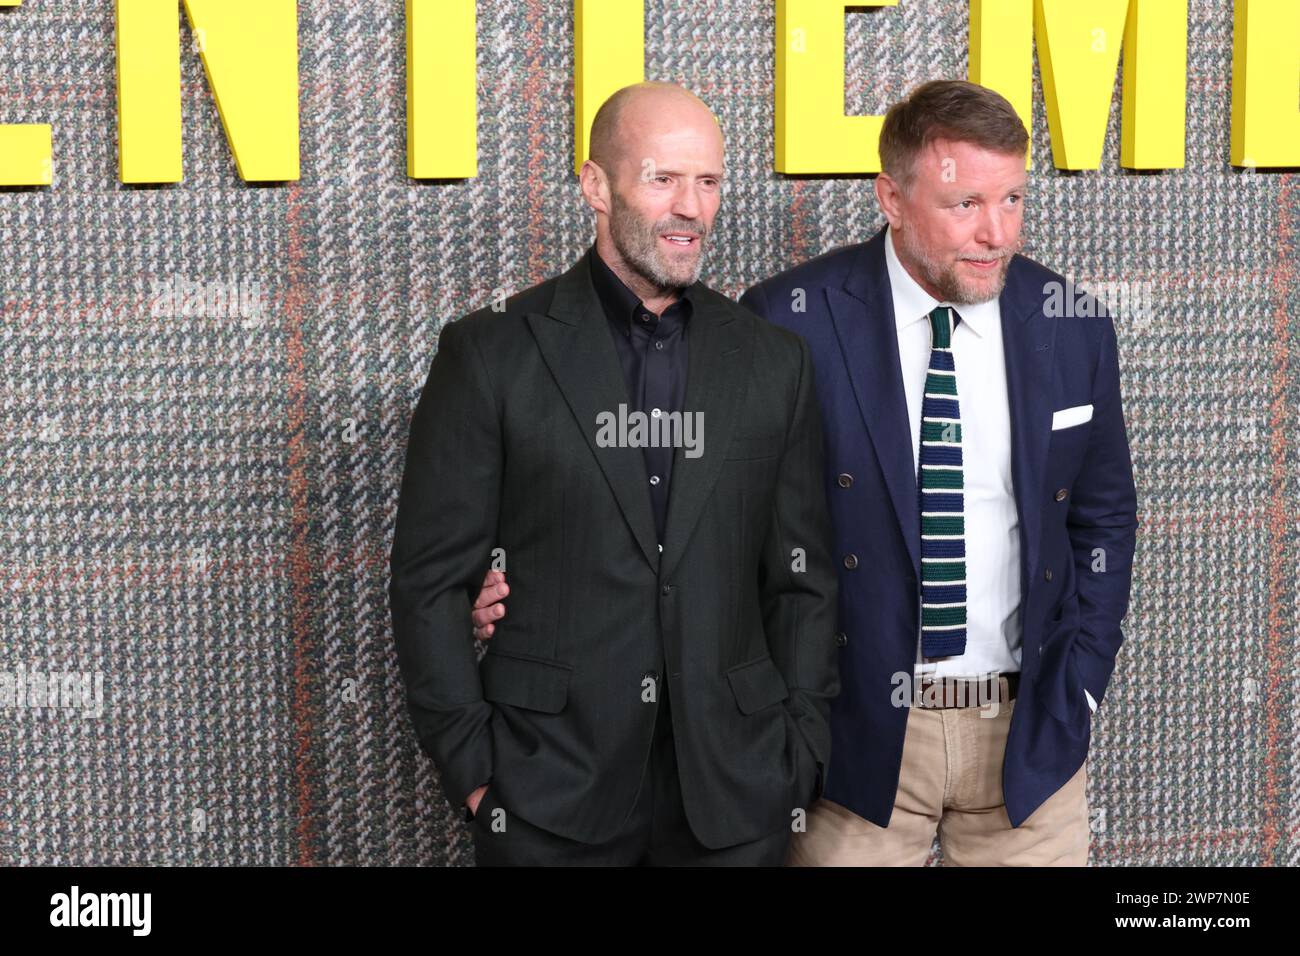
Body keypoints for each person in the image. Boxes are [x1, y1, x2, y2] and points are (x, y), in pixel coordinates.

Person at [389, 81, 839, 866]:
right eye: (663, 178)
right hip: (544, 797)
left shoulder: (774, 363)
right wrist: (474, 770)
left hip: (738, 801)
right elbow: (430, 582)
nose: (691, 208)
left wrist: (798, 751)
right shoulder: (493, 353)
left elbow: (802, 581)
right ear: (596, 187)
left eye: (708, 182)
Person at [739, 80, 1139, 865]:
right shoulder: (789, 320)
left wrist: (1079, 683)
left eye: (1014, 199)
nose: (997, 232)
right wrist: (786, 716)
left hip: (1029, 738)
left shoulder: (1074, 324)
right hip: (854, 742)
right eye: (965, 205)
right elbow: (736, 531)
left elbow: (1105, 516)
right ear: (891, 197)